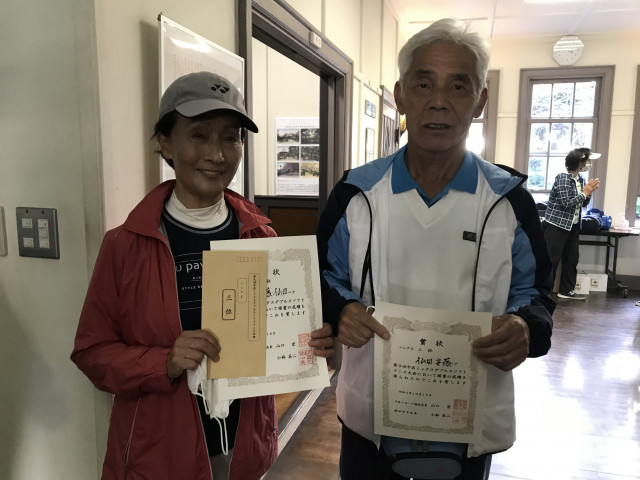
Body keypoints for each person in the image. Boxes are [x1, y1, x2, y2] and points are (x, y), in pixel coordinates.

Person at [316, 18, 555, 480]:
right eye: (423, 83)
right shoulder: (356, 194)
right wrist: (341, 310)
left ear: (480, 101)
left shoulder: (507, 201)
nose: (439, 101)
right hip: (370, 418)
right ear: (400, 95)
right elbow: (323, 278)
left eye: (458, 86)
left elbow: (538, 294)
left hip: (468, 420)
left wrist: (525, 328)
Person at [71, 71, 334, 480]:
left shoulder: (260, 237)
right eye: (199, 135)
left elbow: (275, 339)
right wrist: (164, 362)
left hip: (244, 450)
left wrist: (310, 345)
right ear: (166, 143)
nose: (217, 154)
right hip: (158, 457)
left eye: (230, 137)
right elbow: (92, 353)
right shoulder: (125, 245)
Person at [543, 147, 600, 300]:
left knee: (572, 259)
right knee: (552, 260)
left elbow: (582, 203)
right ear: (579, 162)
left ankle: (566, 290)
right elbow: (565, 203)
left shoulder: (580, 179)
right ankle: (543, 292)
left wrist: (588, 193)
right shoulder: (563, 178)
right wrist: (585, 193)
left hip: (573, 225)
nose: (589, 163)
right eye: (587, 160)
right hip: (556, 225)